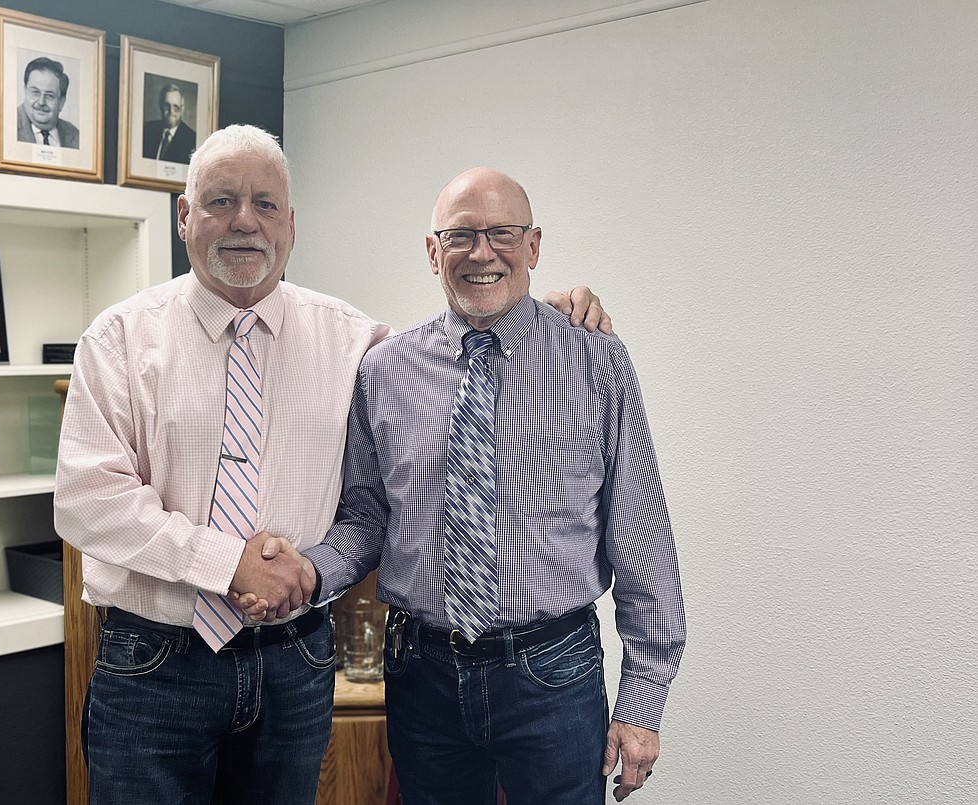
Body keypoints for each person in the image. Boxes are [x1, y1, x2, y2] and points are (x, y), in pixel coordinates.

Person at [53, 126, 609, 804]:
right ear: (184, 216)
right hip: (154, 663)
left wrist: (542, 316)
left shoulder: (356, 342)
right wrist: (223, 562)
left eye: (265, 204)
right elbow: (87, 498)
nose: (244, 221)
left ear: (290, 225)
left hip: (297, 662)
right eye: (222, 201)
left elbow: (455, 357)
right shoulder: (117, 338)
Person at [249, 166, 686, 804]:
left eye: (502, 234)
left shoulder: (595, 359)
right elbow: (368, 521)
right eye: (460, 237)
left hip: (553, 673)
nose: (482, 253)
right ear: (433, 253)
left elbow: (639, 527)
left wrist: (643, 700)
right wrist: (307, 572)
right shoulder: (385, 370)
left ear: (534, 247)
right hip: (421, 676)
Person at [16, 57, 79, 148]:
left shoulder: (76, 136)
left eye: (49, 96)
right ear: (25, 91)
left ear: (62, 102)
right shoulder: (7, 125)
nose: (41, 102)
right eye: (35, 92)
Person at [142, 82, 198, 163]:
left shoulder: (192, 139)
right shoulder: (148, 129)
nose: (171, 111)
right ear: (161, 106)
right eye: (166, 105)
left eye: (176, 107)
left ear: (182, 109)